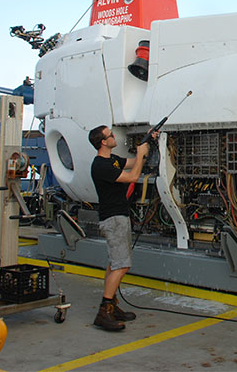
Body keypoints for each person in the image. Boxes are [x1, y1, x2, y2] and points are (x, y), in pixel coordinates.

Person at [88, 125, 152, 331]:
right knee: (122, 265)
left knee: (114, 263)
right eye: (111, 135)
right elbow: (133, 176)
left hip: (118, 217)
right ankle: (104, 311)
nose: (114, 136)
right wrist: (141, 154)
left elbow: (133, 163)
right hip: (113, 218)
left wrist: (146, 144)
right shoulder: (100, 166)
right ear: (103, 142)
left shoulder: (113, 160)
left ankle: (112, 306)